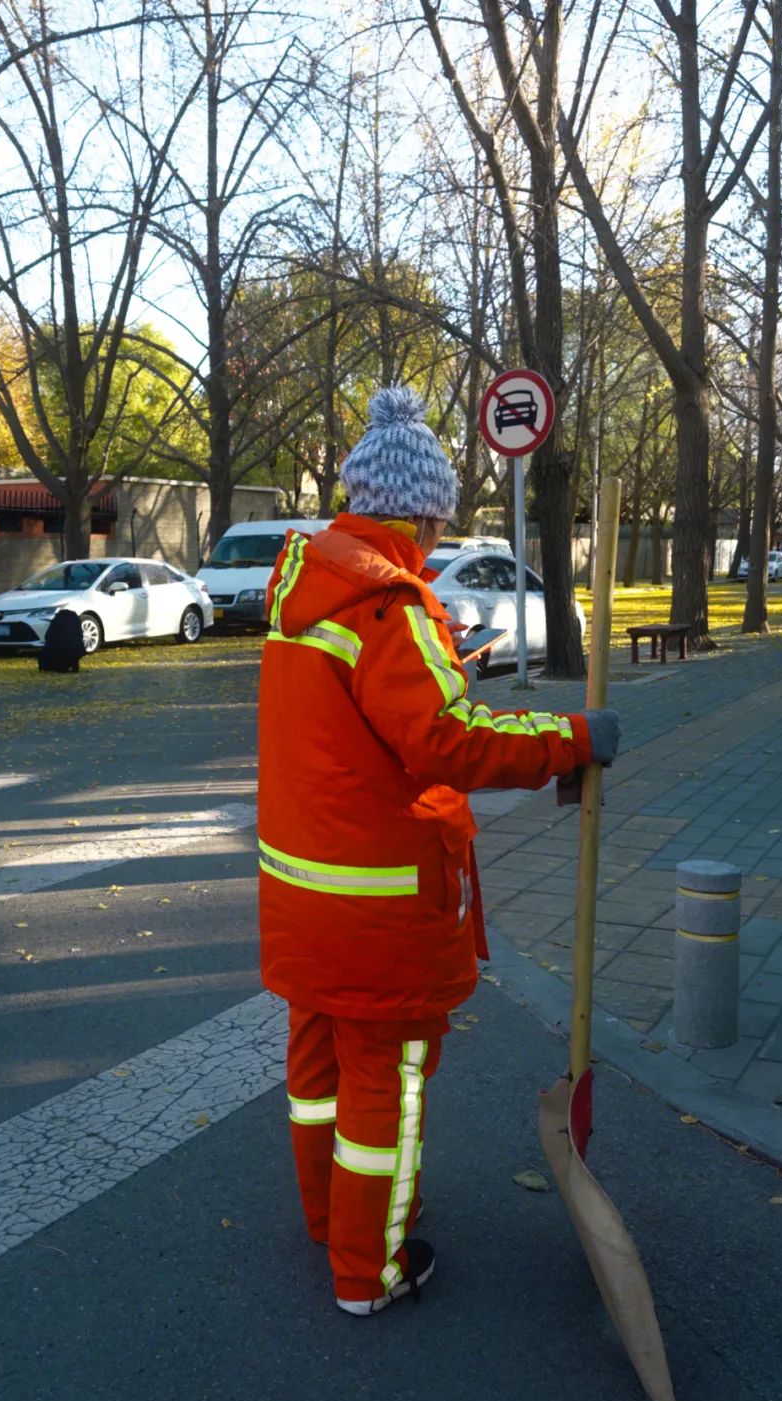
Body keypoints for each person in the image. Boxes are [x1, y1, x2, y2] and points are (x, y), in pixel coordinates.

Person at [256, 386, 620, 1316]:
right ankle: (367, 1271)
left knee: (318, 1074)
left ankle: (329, 1221)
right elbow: (447, 740)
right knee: (387, 1084)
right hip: (380, 904)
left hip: (303, 897)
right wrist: (570, 739)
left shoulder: (303, 592)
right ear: (420, 511)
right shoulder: (390, 606)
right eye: (435, 518)